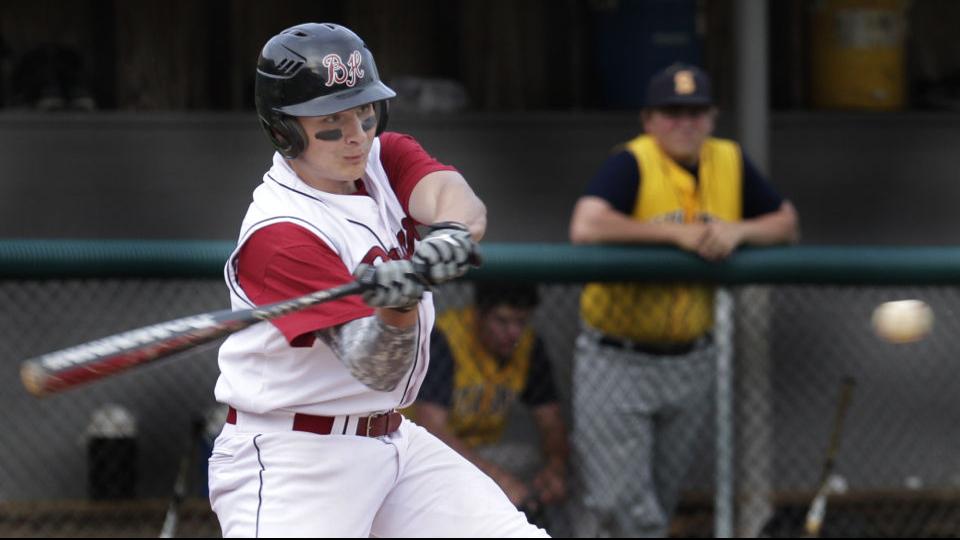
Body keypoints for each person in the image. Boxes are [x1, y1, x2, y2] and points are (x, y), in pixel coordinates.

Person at [207, 23, 547, 538]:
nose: (356, 135)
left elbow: (455, 196)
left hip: (392, 440)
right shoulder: (280, 233)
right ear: (284, 130)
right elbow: (378, 364)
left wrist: (450, 235)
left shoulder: (382, 157)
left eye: (365, 113)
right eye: (332, 122)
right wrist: (401, 304)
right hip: (295, 458)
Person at [568, 63, 800, 537]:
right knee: (621, 504)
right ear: (649, 120)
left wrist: (739, 230)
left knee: (659, 498)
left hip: (691, 359)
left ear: (712, 118)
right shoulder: (632, 161)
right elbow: (586, 226)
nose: (685, 123)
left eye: (695, 112)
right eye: (672, 113)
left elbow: (787, 224)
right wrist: (675, 235)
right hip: (618, 356)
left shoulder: (729, 160)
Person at [411, 282, 569, 527]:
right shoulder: (446, 337)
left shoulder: (528, 345)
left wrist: (555, 468)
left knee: (561, 472)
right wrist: (497, 479)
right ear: (479, 315)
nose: (513, 333)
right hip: (425, 457)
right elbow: (432, 430)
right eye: (503, 321)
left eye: (521, 321)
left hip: (483, 452)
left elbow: (551, 422)